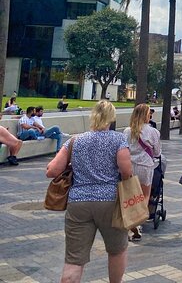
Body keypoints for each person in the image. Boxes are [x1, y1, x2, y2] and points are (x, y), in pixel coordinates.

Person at [46, 100, 132, 283]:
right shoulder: (118, 140)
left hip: (78, 202)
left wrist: (73, 165)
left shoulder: (75, 140)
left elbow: (52, 171)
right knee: (117, 250)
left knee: (74, 259)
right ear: (111, 118)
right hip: (110, 201)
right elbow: (126, 171)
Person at [123, 104, 161, 241]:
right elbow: (157, 152)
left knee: (130, 196)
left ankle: (129, 222)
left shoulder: (127, 131)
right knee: (144, 196)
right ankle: (137, 223)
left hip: (129, 166)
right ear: (146, 115)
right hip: (145, 166)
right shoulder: (152, 132)